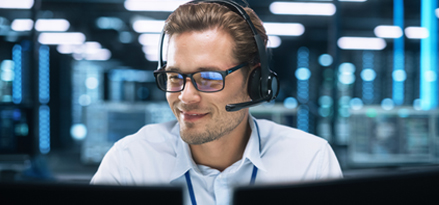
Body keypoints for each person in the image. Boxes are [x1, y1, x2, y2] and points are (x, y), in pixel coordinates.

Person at [91, 1, 343, 204]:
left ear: (254, 82)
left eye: (209, 78)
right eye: (174, 77)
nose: (185, 97)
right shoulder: (130, 163)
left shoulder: (309, 163)